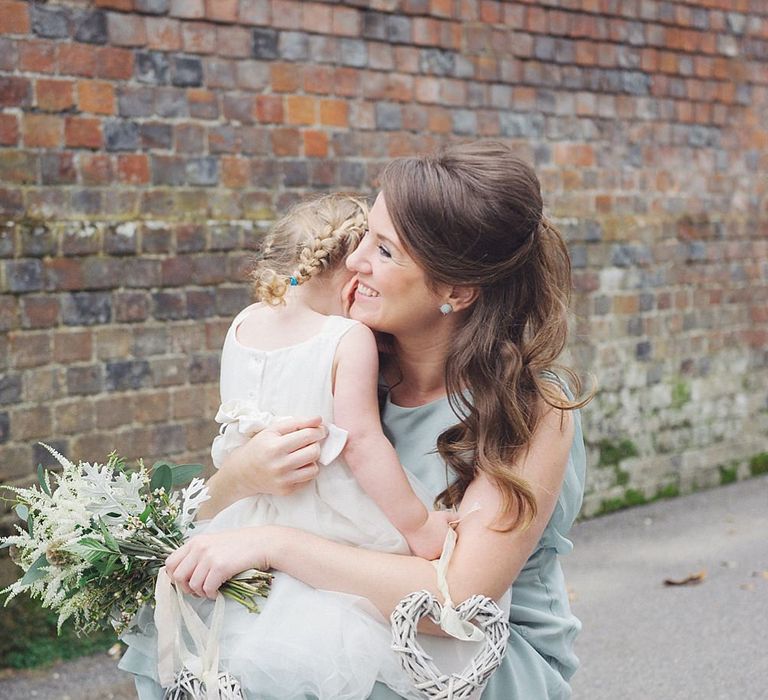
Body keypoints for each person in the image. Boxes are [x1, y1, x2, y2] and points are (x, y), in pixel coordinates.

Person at [135, 140, 590, 699]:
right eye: (365, 236)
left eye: (385, 251)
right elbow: (220, 526)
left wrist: (275, 545)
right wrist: (241, 478)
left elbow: (456, 601)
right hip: (328, 612)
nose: (353, 261)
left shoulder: (532, 405)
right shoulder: (347, 358)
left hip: (474, 657)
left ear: (457, 289)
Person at [120, 193, 455, 699]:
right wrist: (418, 524)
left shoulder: (243, 325)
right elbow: (361, 444)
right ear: (350, 272)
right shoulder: (345, 338)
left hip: (248, 515)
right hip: (323, 516)